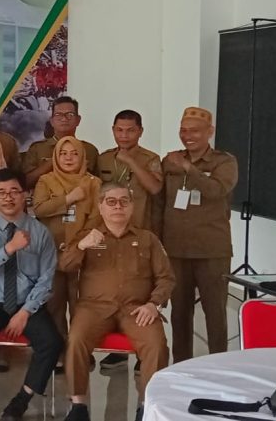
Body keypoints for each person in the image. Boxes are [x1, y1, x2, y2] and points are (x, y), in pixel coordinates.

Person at [59, 183, 175, 421]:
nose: (118, 206)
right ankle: (78, 405)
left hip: (137, 308)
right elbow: (64, 266)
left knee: (157, 344)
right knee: (75, 340)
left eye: (124, 201)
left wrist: (154, 304)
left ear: (132, 207)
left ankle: (146, 406)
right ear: (101, 207)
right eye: (111, 201)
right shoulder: (88, 236)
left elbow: (166, 278)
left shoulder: (148, 239)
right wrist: (81, 246)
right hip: (94, 308)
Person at [0, 169, 62, 421]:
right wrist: (9, 248)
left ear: (25, 195)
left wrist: (25, 311)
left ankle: (20, 402)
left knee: (52, 343)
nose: (8, 198)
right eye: (1, 193)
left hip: (26, 302)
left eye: (14, 192)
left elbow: (46, 279)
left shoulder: (40, 233)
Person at [161, 107, 238, 363]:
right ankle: (181, 364)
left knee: (214, 312)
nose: (187, 135)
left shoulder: (224, 162)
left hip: (211, 250)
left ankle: (218, 364)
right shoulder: (169, 161)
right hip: (176, 249)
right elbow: (160, 202)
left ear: (210, 132)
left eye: (194, 130)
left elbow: (216, 190)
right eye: (183, 130)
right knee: (179, 313)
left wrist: (188, 169)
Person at [96, 110, 163, 372]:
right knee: (114, 290)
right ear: (113, 130)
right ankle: (118, 353)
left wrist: (131, 161)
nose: (124, 135)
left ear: (140, 131)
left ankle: (143, 352)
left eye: (130, 130)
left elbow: (155, 188)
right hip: (110, 235)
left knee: (140, 291)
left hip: (140, 234)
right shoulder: (103, 158)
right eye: (119, 130)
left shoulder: (150, 159)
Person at [33, 136, 102, 354]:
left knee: (80, 304)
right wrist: (68, 199)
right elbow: (39, 209)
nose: (69, 158)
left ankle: (80, 352)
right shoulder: (46, 180)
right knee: (54, 304)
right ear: (56, 156)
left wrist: (78, 244)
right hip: (51, 252)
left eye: (74, 153)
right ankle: (58, 351)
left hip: (83, 253)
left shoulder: (93, 182)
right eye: (64, 153)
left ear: (82, 156)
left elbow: (97, 218)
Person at [22, 96, 99, 186]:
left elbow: (98, 184)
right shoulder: (37, 149)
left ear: (78, 120)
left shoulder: (89, 150)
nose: (64, 119)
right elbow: (26, 182)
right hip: (44, 197)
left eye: (70, 115)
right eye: (58, 115)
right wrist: (53, 161)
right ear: (52, 121)